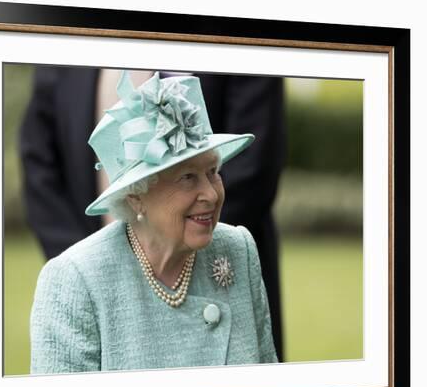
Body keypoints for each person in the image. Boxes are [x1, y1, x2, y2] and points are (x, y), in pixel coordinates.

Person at [20, 67, 286, 360]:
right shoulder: (74, 280)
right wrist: (93, 267)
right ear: (135, 196)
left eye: (213, 172)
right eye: (187, 177)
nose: (211, 194)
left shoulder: (238, 250)